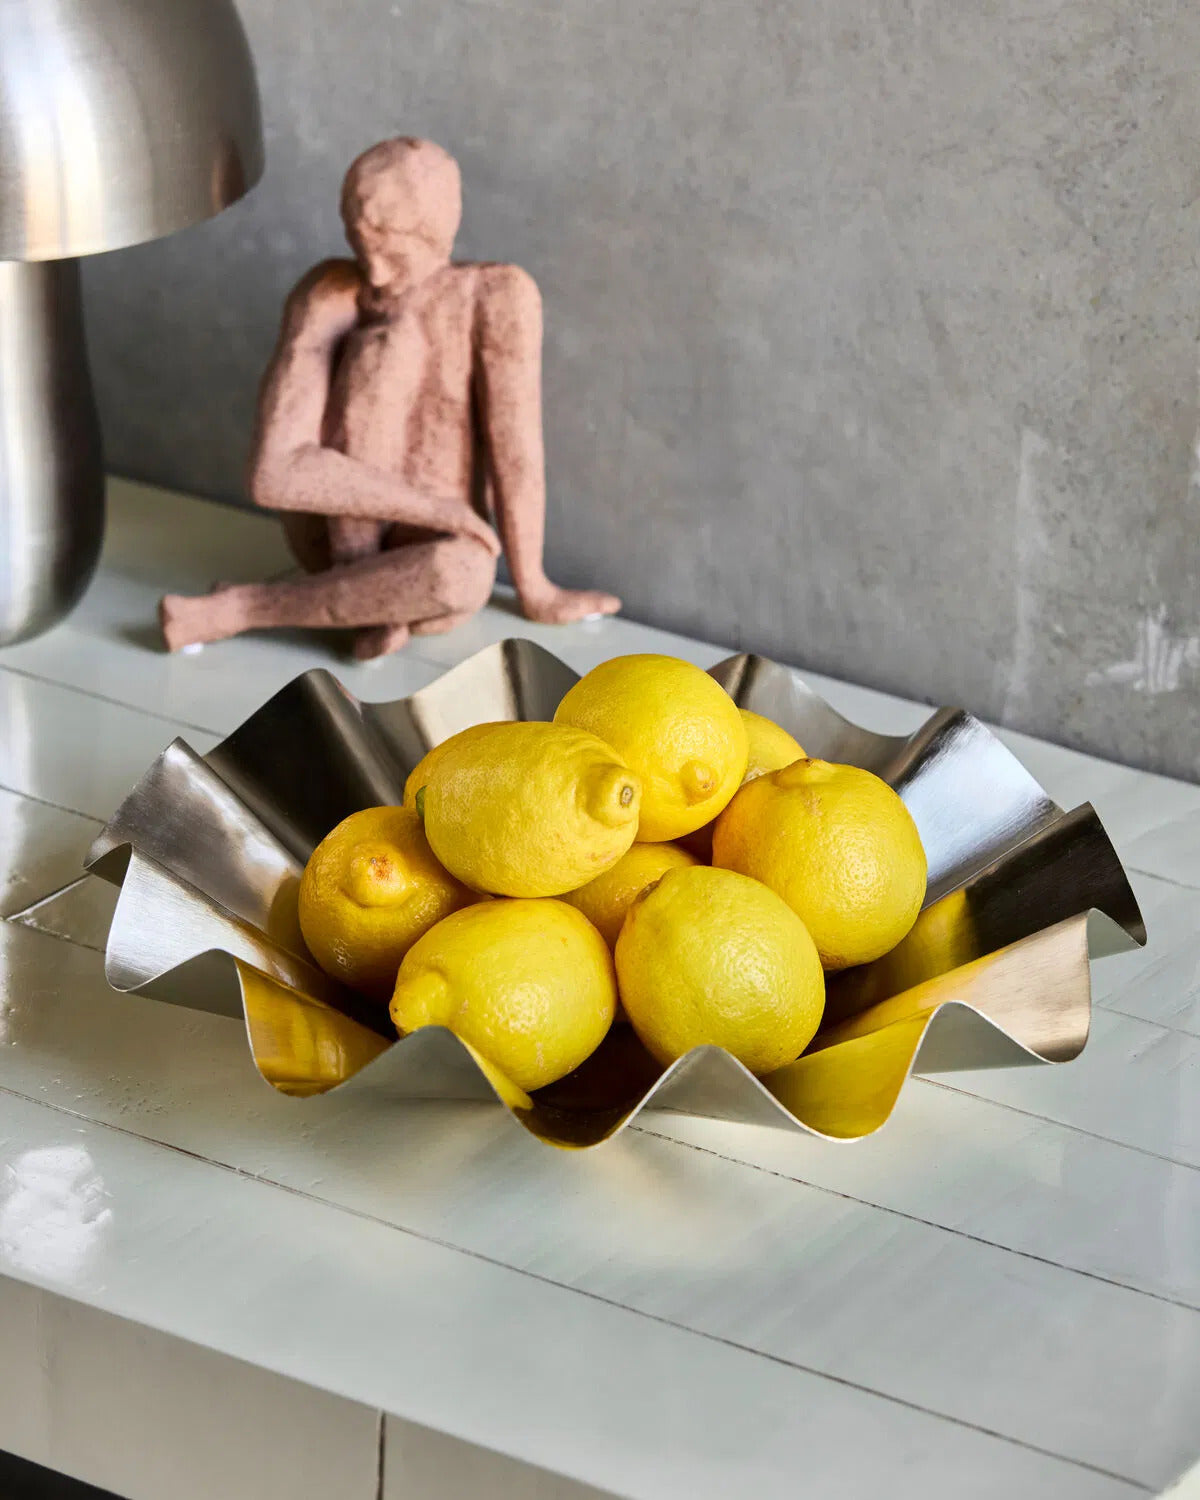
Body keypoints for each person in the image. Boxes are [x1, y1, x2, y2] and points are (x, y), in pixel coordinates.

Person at [160, 138, 620, 658]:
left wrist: (534, 585)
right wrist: (439, 509)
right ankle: (353, 595)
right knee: (383, 350)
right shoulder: (330, 292)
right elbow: (274, 473)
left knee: (461, 578)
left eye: (393, 252)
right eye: (361, 247)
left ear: (438, 234)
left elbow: (515, 448)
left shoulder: (496, 295)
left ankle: (253, 606)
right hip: (334, 539)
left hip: (429, 552)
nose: (374, 273)